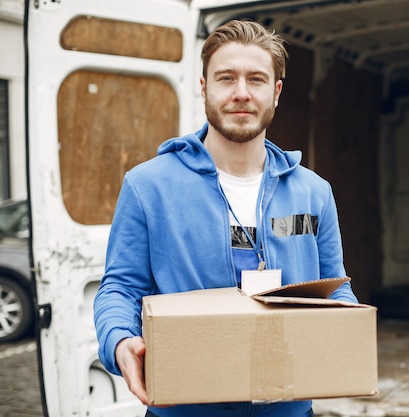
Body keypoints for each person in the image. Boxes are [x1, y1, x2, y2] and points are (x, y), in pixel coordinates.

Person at [93, 19, 358, 417]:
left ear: (276, 92)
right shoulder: (148, 186)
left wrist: (346, 332)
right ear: (203, 87)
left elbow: (334, 289)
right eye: (226, 78)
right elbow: (120, 288)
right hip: (183, 408)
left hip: (288, 408)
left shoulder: (313, 191)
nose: (241, 94)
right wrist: (119, 340)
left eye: (256, 80)